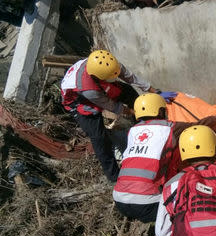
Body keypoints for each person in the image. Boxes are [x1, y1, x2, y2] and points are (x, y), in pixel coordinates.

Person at [60, 49, 177, 182]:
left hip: (98, 84)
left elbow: (130, 76)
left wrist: (154, 91)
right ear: (98, 77)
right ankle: (114, 177)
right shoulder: (89, 90)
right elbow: (114, 107)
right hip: (78, 102)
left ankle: (145, 127)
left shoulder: (107, 63)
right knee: (99, 137)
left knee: (130, 93)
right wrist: (138, 112)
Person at [113, 93, 216, 223]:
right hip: (147, 202)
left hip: (119, 198)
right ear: (160, 111)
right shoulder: (169, 128)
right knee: (190, 212)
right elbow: (198, 126)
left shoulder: (133, 130)